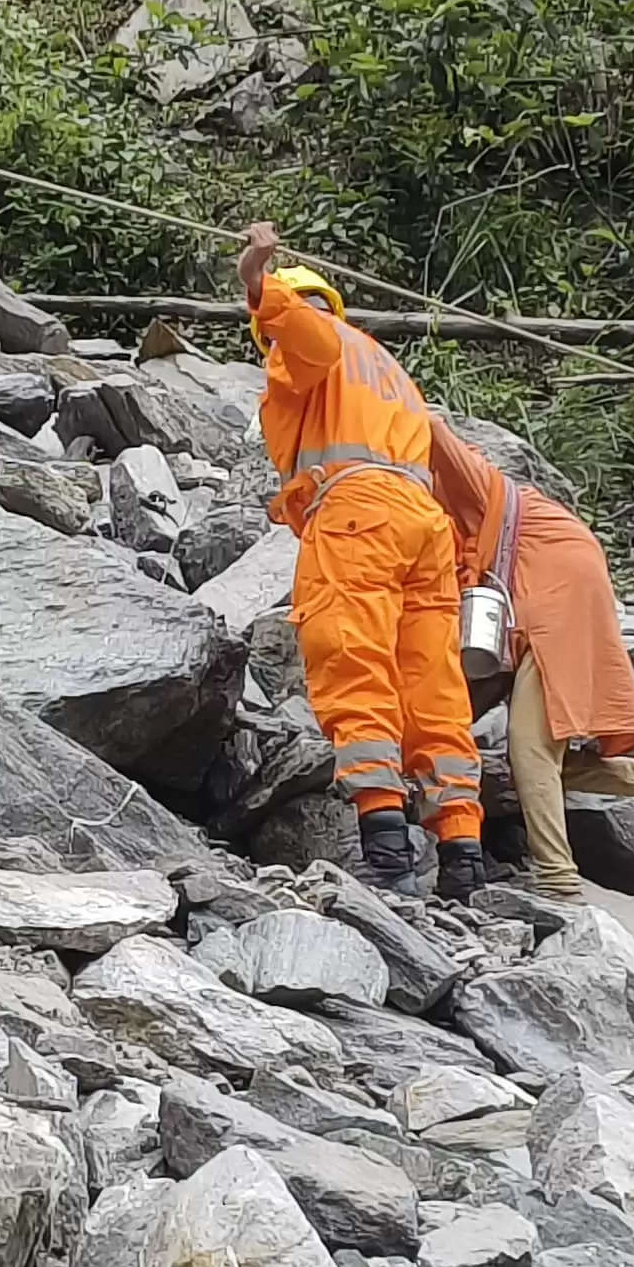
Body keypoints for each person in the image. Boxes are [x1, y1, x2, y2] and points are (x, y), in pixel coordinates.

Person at [239, 221, 487, 894]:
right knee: (432, 682)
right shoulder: (382, 364)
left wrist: (257, 281)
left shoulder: (314, 342)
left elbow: (307, 337)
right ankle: (461, 843)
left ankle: (384, 839)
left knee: (352, 657)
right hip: (421, 524)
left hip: (359, 516)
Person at [429, 431, 634, 897]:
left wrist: (379, 400)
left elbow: (428, 431)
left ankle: (557, 881)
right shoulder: (451, 520)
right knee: (528, 758)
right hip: (532, 605)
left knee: (531, 751)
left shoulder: (471, 484)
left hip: (557, 596)